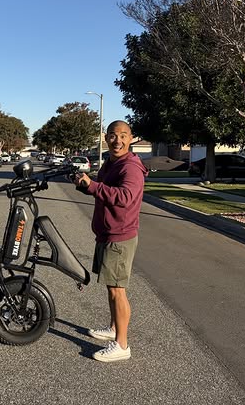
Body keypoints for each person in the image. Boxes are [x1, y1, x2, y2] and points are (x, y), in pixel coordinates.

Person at [72, 120, 147, 362]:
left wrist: (93, 186)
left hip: (119, 236)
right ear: (106, 138)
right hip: (107, 233)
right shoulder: (111, 163)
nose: (118, 140)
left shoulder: (131, 167)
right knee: (110, 286)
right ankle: (114, 328)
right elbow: (103, 188)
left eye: (123, 135)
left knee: (117, 290)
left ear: (131, 138)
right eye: (113, 135)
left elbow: (125, 197)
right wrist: (85, 185)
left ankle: (122, 345)